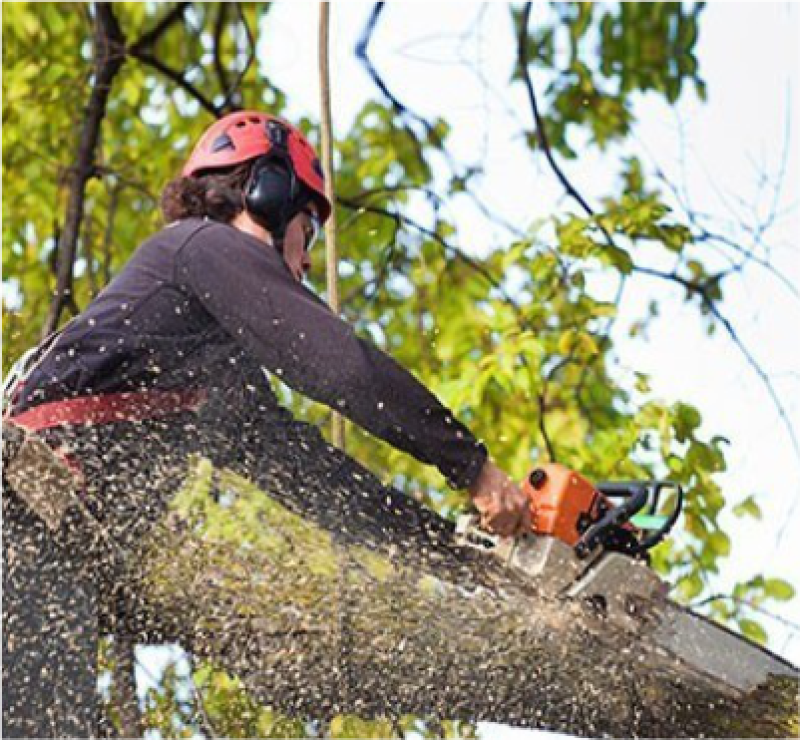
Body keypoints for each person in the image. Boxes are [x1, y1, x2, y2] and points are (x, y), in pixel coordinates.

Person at [0, 111, 530, 737]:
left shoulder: (213, 372)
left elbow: (318, 483)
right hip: (19, 520)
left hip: (45, 553)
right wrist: (473, 466)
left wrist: (461, 557)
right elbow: (342, 368)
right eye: (309, 230)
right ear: (268, 194)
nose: (306, 263)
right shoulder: (198, 246)